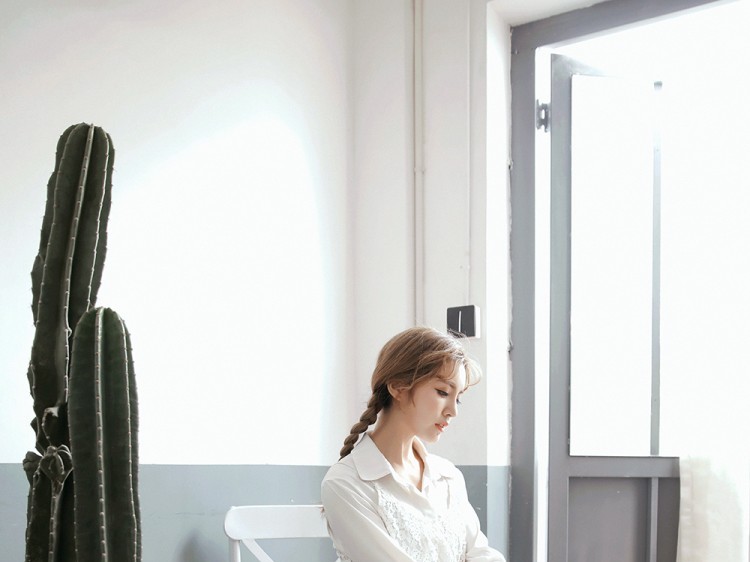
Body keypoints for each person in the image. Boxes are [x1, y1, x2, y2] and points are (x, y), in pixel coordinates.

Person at [321, 326, 506, 562]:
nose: (453, 411)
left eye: (458, 398)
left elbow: (483, 555)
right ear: (398, 387)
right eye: (442, 392)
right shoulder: (345, 483)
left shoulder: (448, 476)